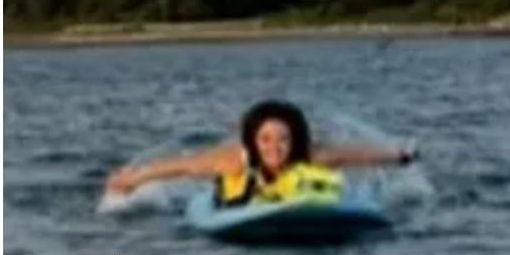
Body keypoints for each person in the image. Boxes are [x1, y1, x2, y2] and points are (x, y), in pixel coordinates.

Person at [105, 99, 416, 204]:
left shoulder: (309, 157)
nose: (275, 148)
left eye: (283, 139)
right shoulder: (236, 161)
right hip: (243, 200)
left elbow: (356, 156)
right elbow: (183, 167)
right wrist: (133, 179)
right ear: (253, 142)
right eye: (265, 140)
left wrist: (400, 156)